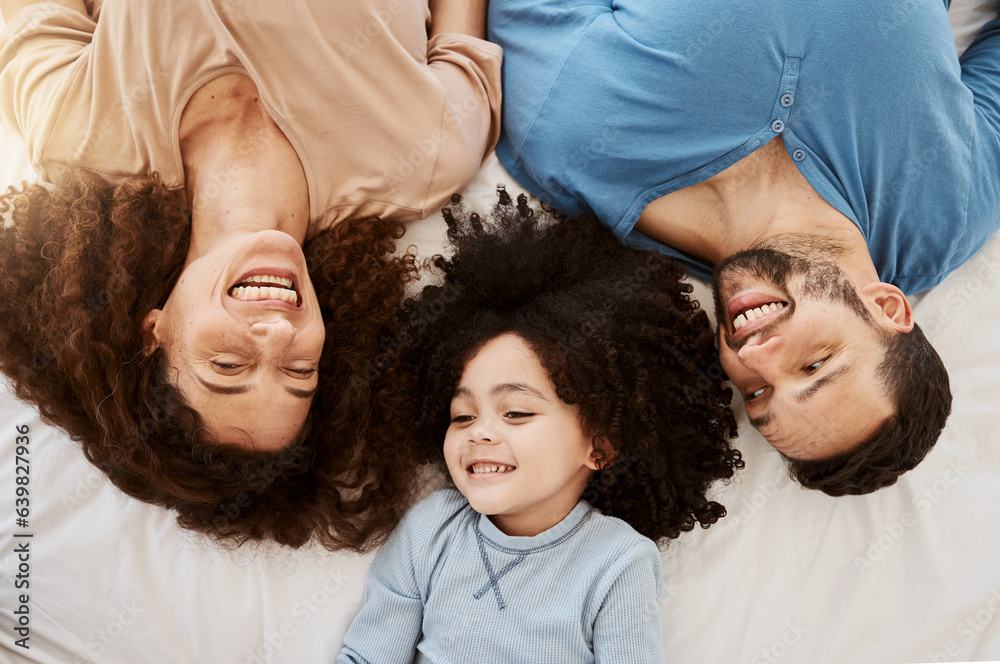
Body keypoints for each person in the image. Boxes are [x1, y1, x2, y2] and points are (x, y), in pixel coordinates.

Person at [0, 0, 500, 548]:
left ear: (153, 331)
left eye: (229, 363)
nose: (281, 334)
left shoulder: (74, 135)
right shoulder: (424, 161)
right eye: (300, 369)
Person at [485, 0, 993, 494]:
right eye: (814, 365)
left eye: (756, 393)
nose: (756, 357)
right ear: (886, 306)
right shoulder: (943, 213)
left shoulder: (574, 142)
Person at [336, 193, 742, 662]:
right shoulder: (431, 530)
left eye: (516, 413)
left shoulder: (616, 563)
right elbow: (367, 656)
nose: (479, 432)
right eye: (462, 415)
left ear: (601, 446)